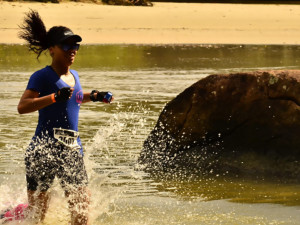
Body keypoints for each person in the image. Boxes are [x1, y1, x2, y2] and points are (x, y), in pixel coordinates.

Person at [17, 10, 113, 225]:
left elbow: (75, 98)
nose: (73, 50)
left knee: (81, 212)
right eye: (67, 46)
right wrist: (53, 97)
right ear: (52, 50)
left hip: (71, 149)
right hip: (43, 150)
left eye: (75, 46)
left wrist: (96, 96)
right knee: (37, 216)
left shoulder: (74, 75)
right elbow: (22, 107)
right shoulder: (42, 76)